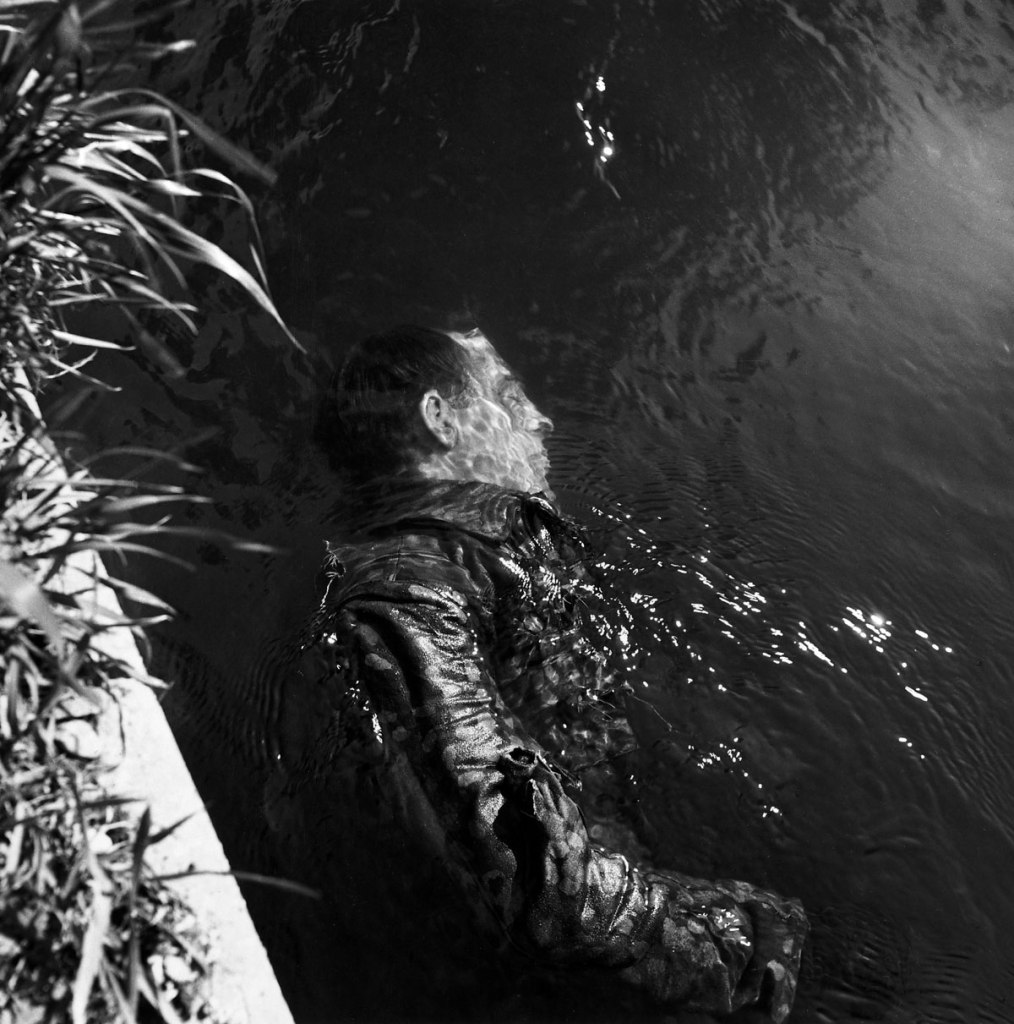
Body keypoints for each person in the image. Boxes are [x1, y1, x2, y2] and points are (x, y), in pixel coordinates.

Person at [264, 325, 807, 1022]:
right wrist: (743, 948)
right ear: (441, 418)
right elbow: (545, 895)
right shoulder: (408, 596)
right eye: (510, 394)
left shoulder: (474, 556)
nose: (540, 418)